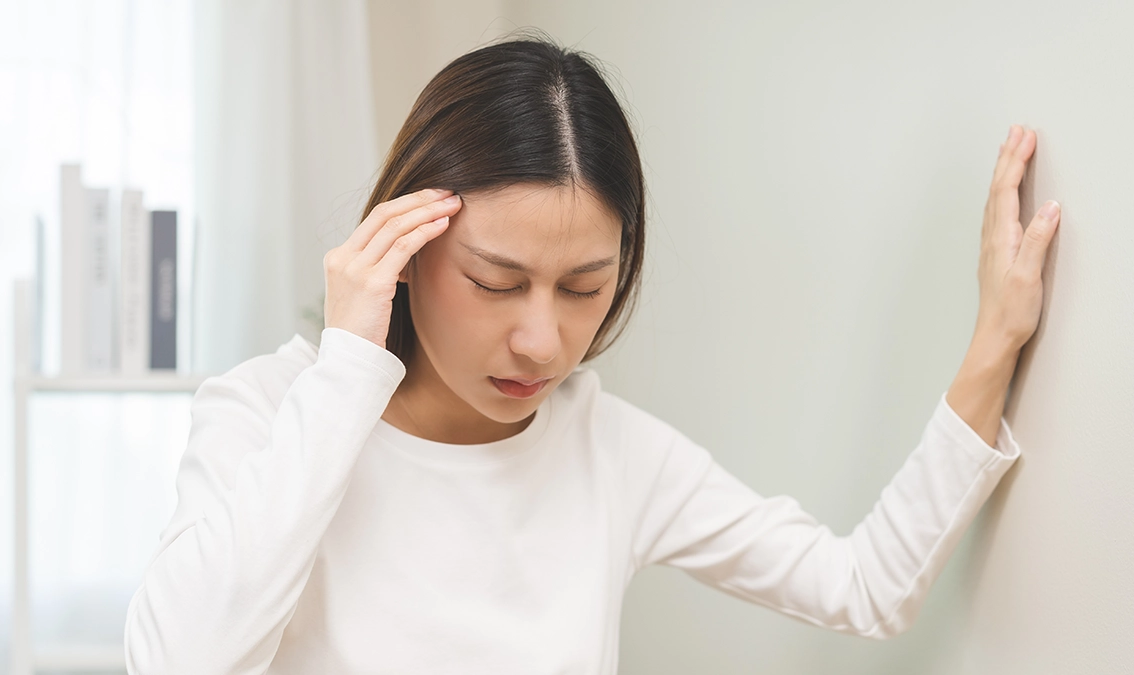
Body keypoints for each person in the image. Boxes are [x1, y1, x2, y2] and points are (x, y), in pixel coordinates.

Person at [123, 33, 1059, 675]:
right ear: (403, 248)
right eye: (497, 281)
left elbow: (866, 586)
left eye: (583, 287)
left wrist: (995, 337)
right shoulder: (269, 411)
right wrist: (342, 374)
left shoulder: (613, 451)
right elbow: (178, 660)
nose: (544, 339)